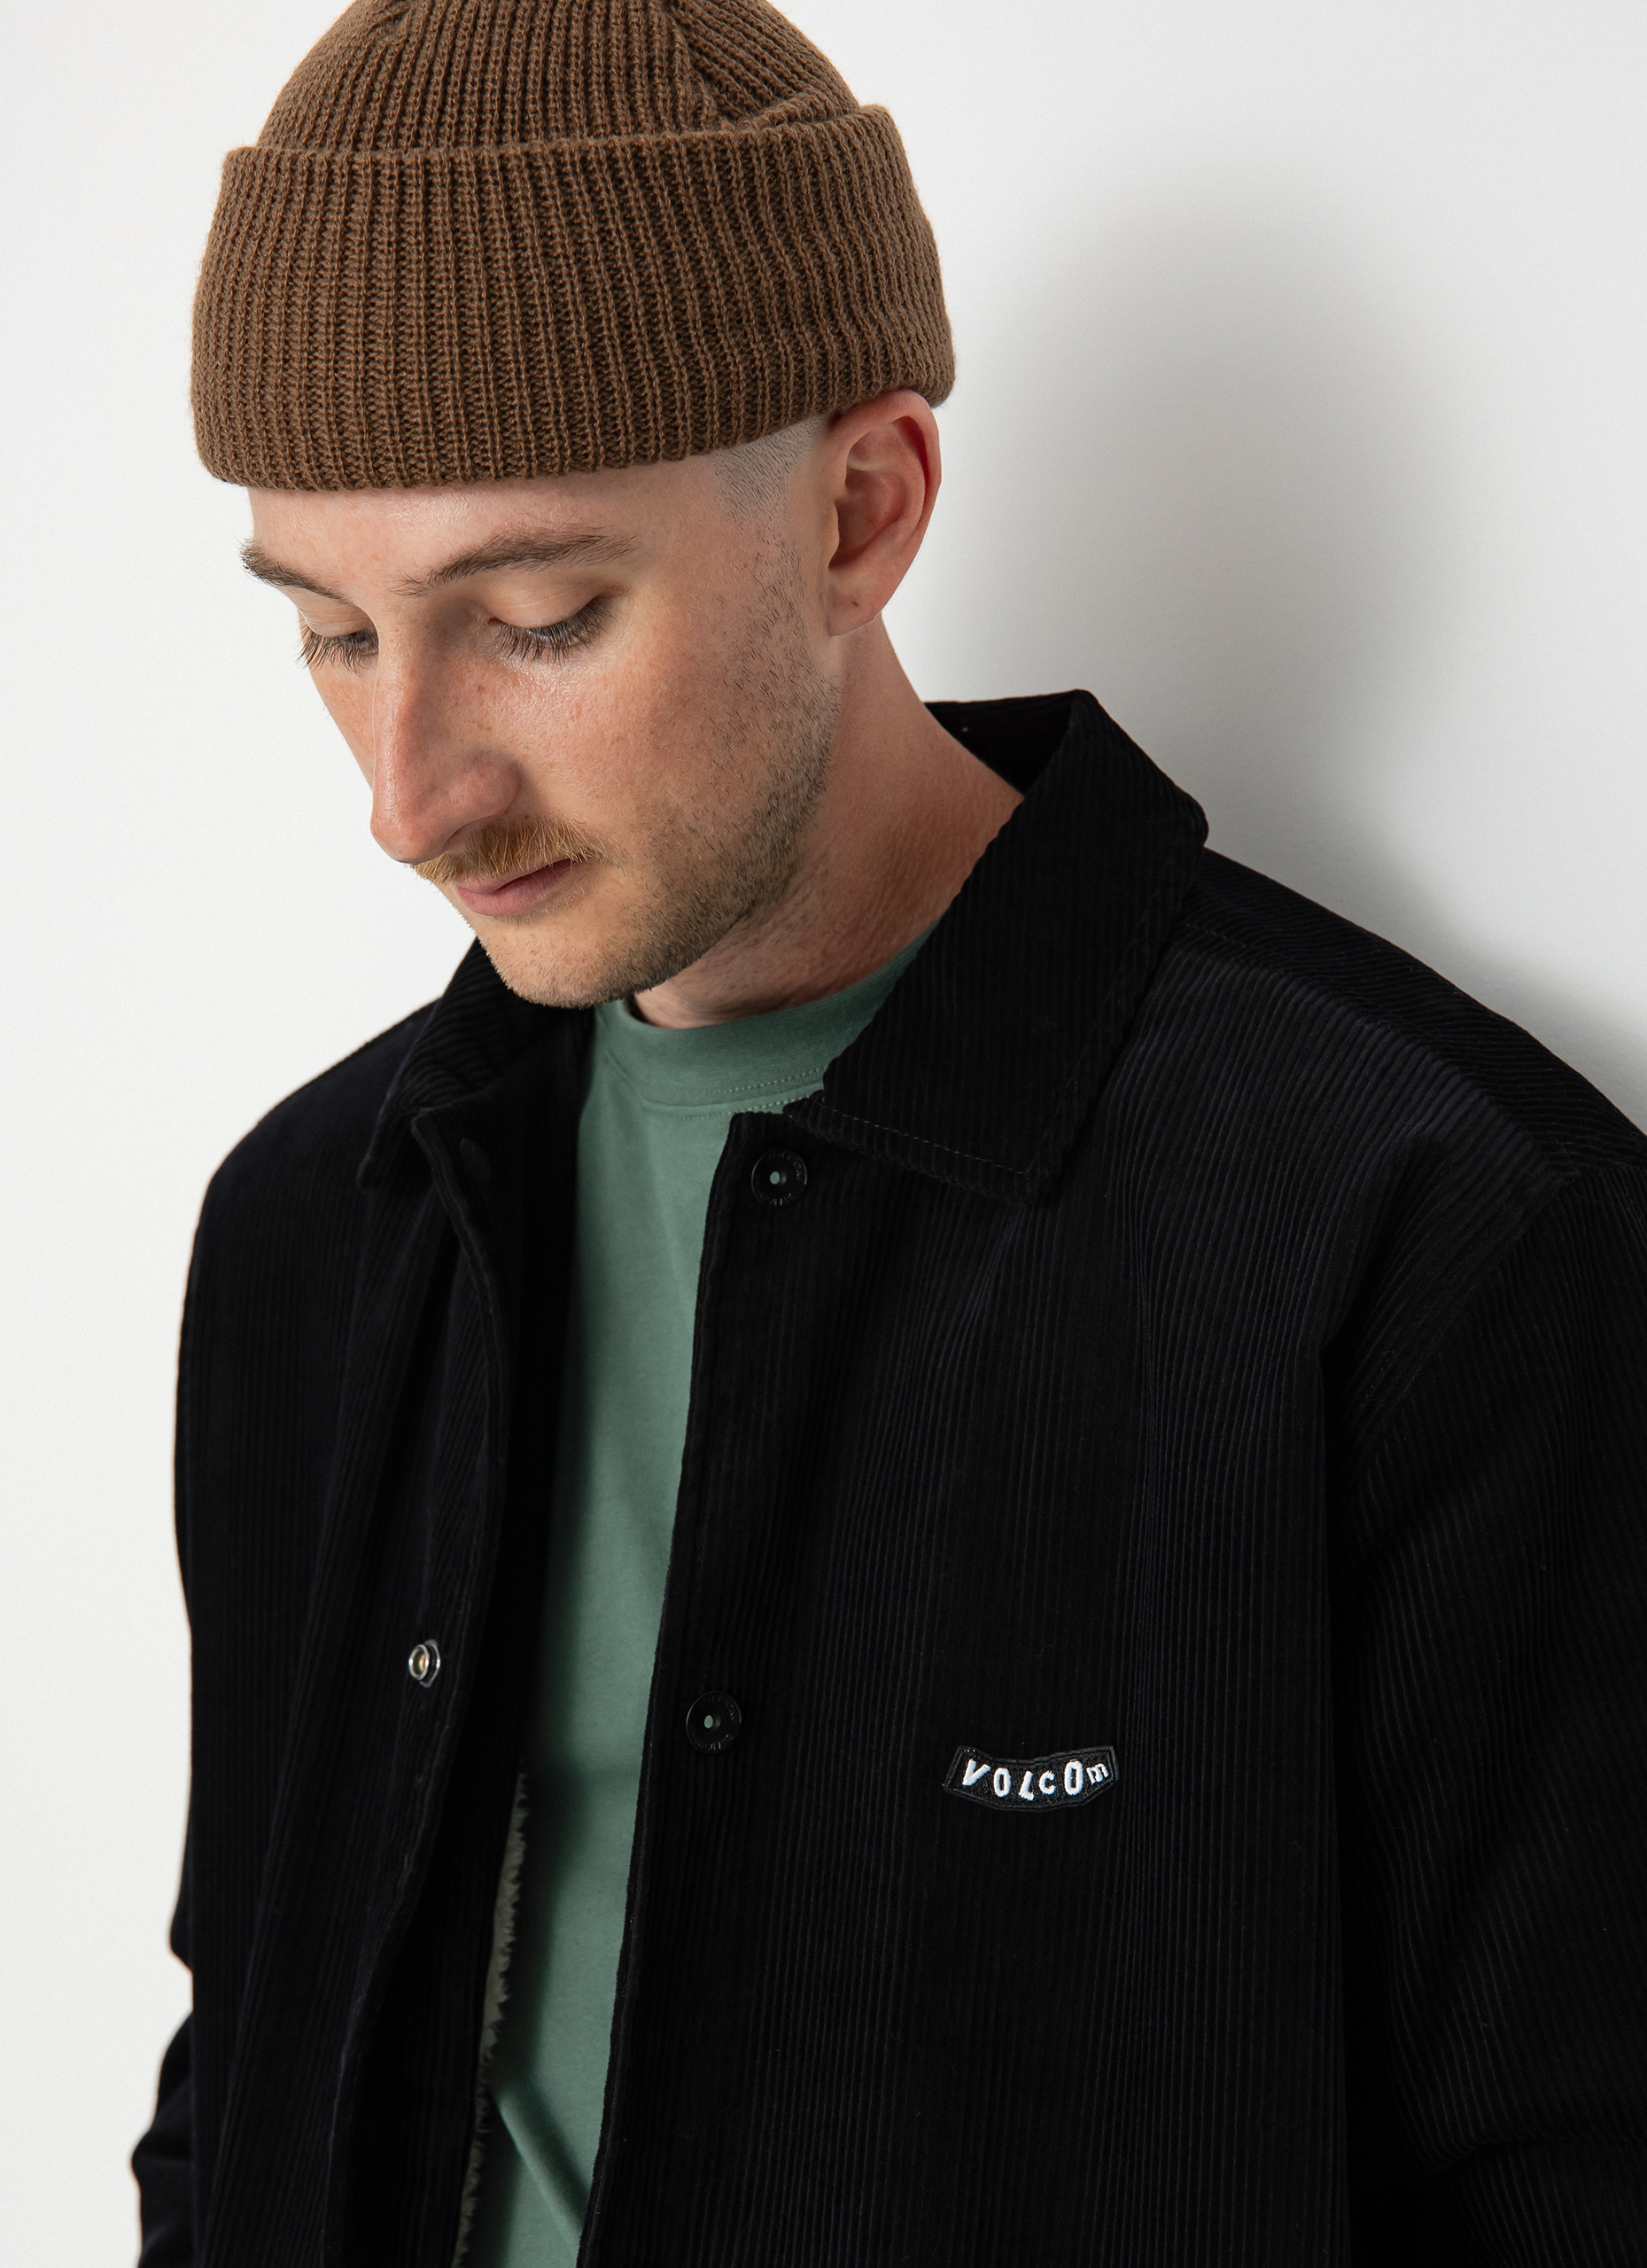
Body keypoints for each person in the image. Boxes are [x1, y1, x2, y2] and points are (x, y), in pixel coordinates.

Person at [134, 2, 1647, 2262]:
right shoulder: (315, 1229)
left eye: (536, 617)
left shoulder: (1431, 1239)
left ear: (864, 508)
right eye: (336, 636)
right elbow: (247, 2058)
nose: (410, 793)